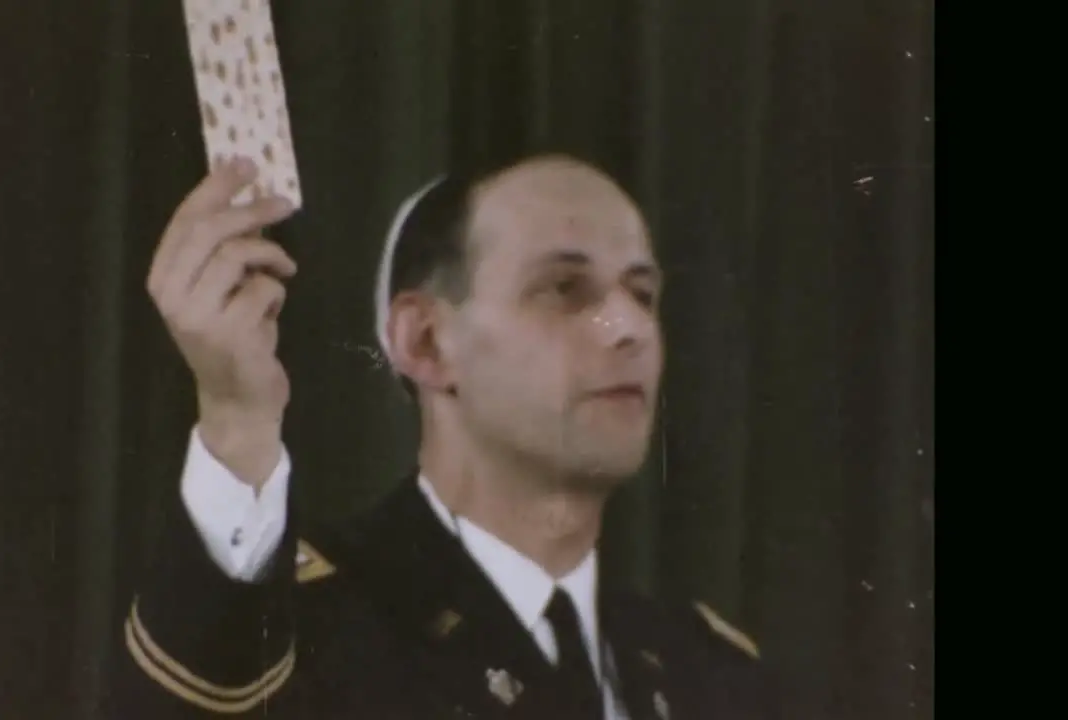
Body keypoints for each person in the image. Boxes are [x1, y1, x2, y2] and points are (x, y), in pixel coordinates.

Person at [105, 152, 781, 719]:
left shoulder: (711, 674)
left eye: (642, 293)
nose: (629, 327)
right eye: (565, 288)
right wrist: (237, 419)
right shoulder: (315, 631)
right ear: (425, 341)